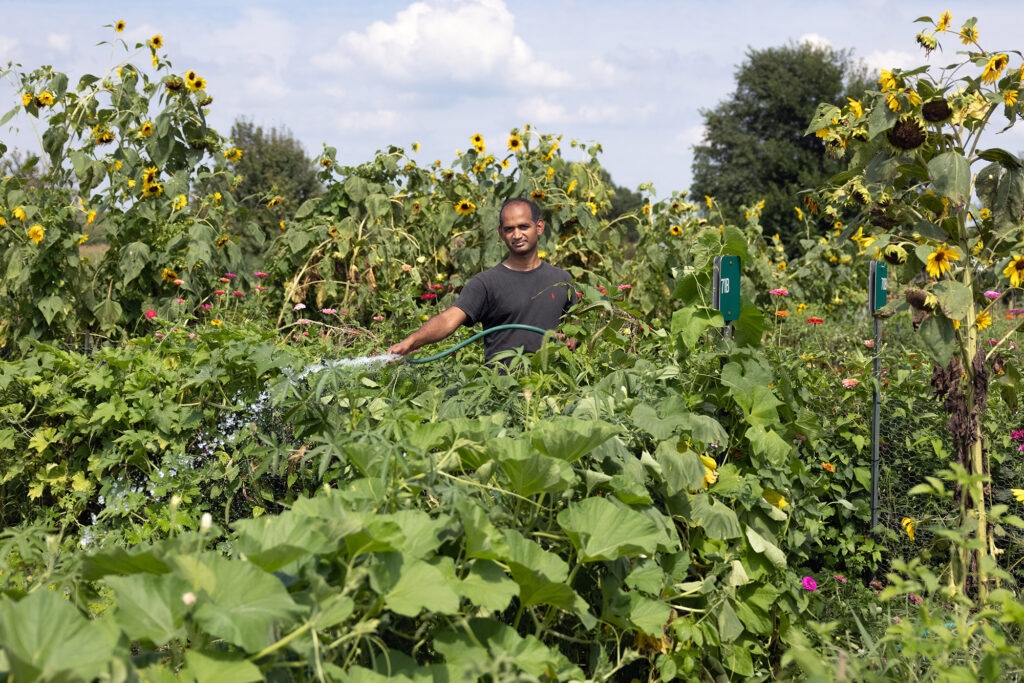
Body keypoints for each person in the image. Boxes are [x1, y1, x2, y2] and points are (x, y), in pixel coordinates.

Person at [387, 197, 577, 363]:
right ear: (501, 233)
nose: (517, 235)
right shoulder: (486, 283)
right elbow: (447, 320)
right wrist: (410, 343)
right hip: (503, 390)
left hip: (552, 388)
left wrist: (572, 339)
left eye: (523, 226)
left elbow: (576, 325)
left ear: (539, 227)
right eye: (509, 229)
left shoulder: (561, 279)